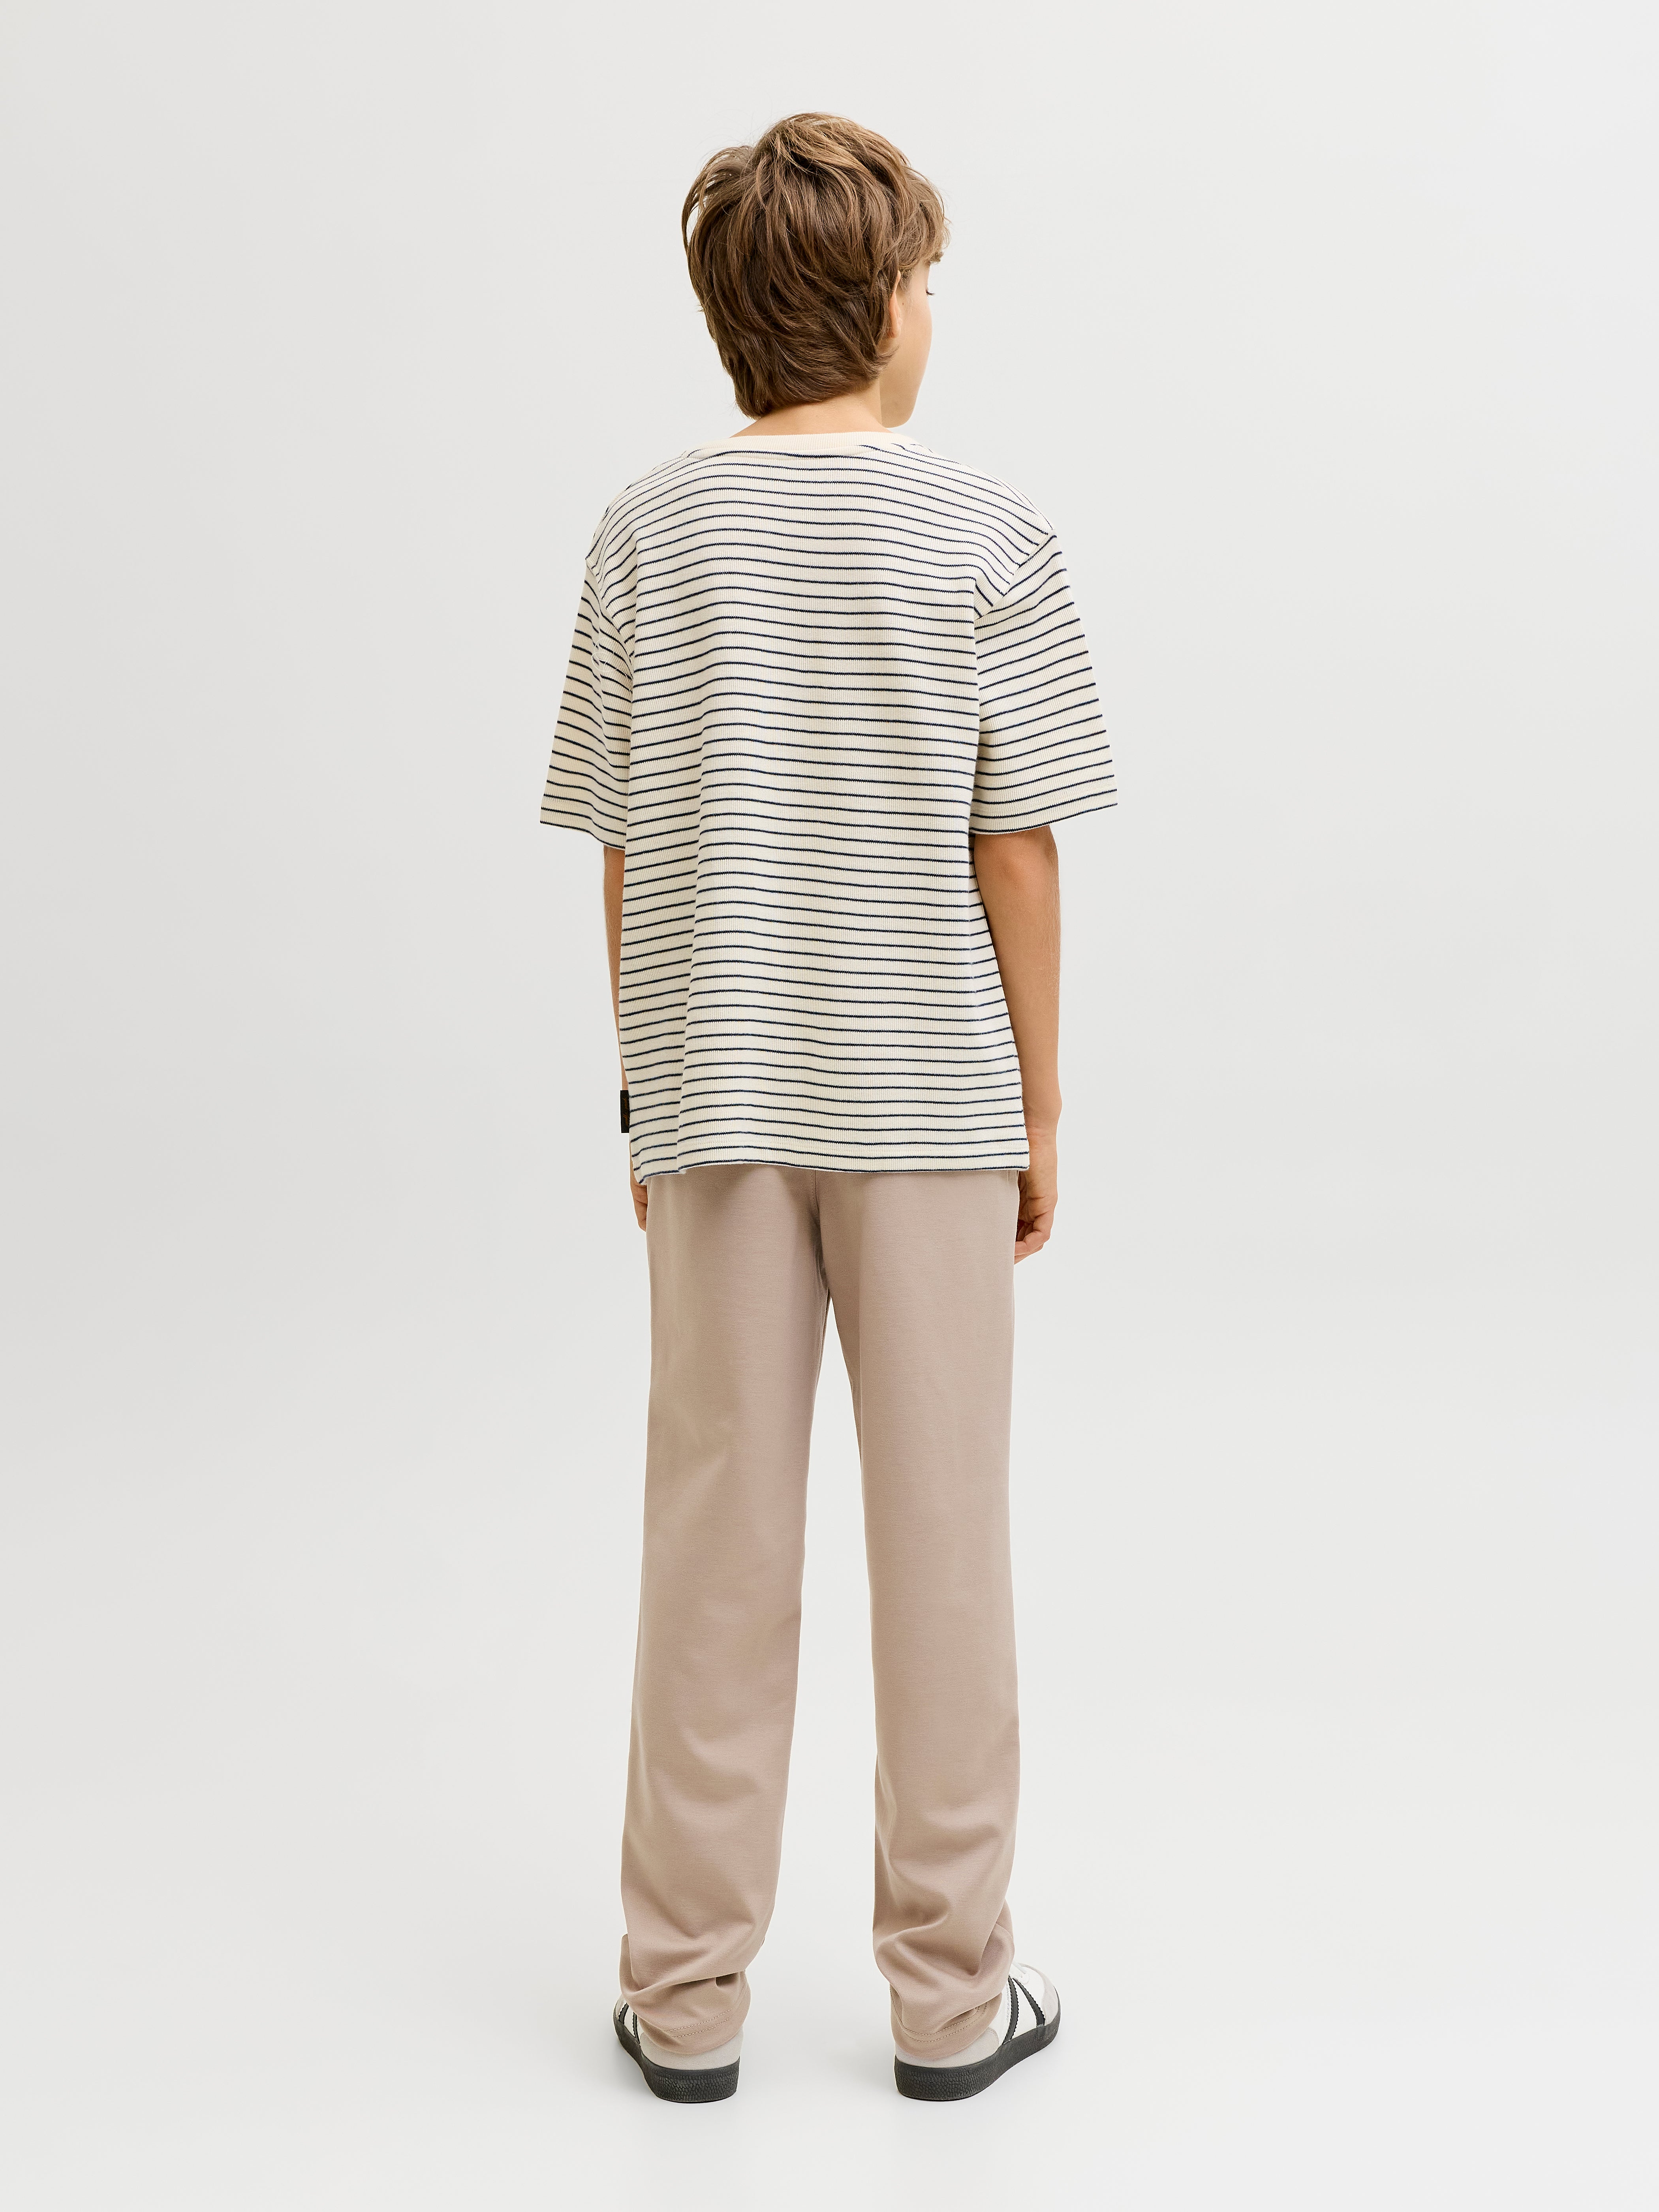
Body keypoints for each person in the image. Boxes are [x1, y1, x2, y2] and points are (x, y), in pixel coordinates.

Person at [541, 112, 1114, 2104]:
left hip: (715, 1099)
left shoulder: (644, 534)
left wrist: (648, 1087)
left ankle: (684, 2000)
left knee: (714, 1537)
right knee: (944, 1543)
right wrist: (1043, 1105)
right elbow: (1015, 849)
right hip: (932, 1108)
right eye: (928, 280)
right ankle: (950, 2001)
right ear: (882, 307)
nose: (935, 310)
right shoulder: (988, 531)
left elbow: (625, 850)